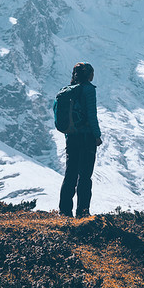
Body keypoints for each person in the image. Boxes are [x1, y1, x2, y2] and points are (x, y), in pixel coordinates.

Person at [58, 62, 102, 218]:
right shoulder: (88, 90)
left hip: (71, 138)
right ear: (89, 74)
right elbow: (91, 115)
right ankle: (83, 212)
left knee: (70, 174)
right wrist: (97, 135)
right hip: (87, 138)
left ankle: (64, 212)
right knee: (84, 176)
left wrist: (69, 135)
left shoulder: (68, 91)